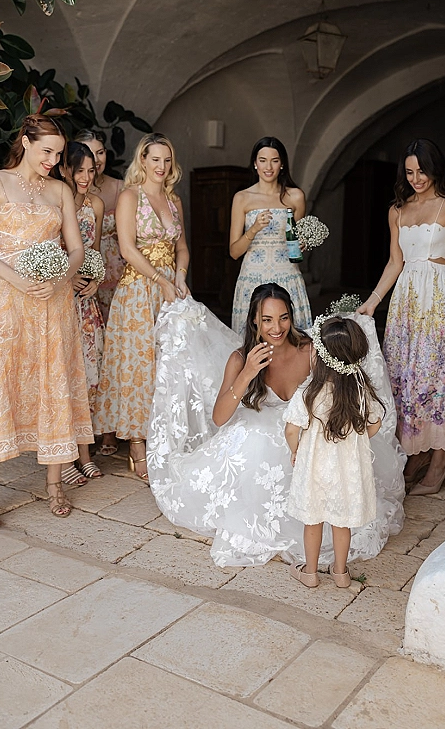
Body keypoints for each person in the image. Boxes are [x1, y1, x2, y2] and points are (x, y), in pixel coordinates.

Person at [148, 284, 405, 568]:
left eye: (283, 317)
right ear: (255, 320)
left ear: (291, 316)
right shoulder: (239, 357)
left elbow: (336, 393)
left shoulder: (309, 350)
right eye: (267, 319)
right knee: (256, 441)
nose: (277, 327)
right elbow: (219, 418)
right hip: (261, 431)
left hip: (306, 429)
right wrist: (246, 373)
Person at [0, 114, 94, 527]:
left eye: (58, 154)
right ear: (25, 141)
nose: (53, 161)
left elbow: (75, 249)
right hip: (6, 301)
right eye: (46, 151)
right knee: (1, 382)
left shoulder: (60, 191)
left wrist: (60, 277)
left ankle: (55, 483)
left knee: (52, 381)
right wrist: (17, 279)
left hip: (52, 303)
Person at [358, 138, 445, 495]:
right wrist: (372, 301)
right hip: (407, 302)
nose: (417, 178)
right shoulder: (397, 211)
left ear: (436, 169)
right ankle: (416, 452)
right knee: (409, 377)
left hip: (443, 296)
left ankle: (439, 462)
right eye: (410, 172)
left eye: (423, 171)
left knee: (440, 378)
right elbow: (394, 262)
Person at [94, 133, 190, 476]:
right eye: (155, 160)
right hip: (139, 288)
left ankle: (164, 434)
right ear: (143, 161)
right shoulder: (129, 196)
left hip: (170, 289)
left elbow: (182, 248)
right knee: (138, 365)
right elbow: (127, 249)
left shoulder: (174, 200)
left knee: (168, 363)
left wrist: (179, 277)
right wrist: (161, 280)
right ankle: (137, 443)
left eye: (167, 160)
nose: (161, 167)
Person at [285, 316, 382, 589]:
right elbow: (374, 423)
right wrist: (358, 440)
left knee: (313, 520)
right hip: (347, 469)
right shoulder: (360, 391)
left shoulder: (309, 392)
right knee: (342, 523)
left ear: (321, 357)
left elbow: (291, 430)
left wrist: (297, 451)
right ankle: (341, 573)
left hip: (315, 467)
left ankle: (311, 572)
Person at [229, 136, 312, 335]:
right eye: (263, 160)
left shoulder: (296, 196)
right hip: (252, 277)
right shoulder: (242, 198)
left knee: (292, 338)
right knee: (253, 340)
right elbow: (234, 252)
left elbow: (297, 241)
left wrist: (304, 244)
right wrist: (254, 229)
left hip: (287, 275)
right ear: (255, 164)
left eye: (274, 160)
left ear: (282, 164)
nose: (269, 166)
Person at [58, 141, 105, 483]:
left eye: (91, 170)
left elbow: (96, 253)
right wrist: (69, 276)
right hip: (60, 295)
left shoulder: (97, 205)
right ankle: (62, 458)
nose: (87, 177)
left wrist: (95, 280)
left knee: (88, 375)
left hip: (86, 302)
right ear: (65, 170)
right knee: (62, 374)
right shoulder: (55, 200)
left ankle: (84, 453)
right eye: (80, 170)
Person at [76, 129, 125, 323]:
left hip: (117, 268)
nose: (96, 159)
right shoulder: (69, 190)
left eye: (101, 152)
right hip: (82, 271)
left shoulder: (120, 188)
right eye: (89, 152)